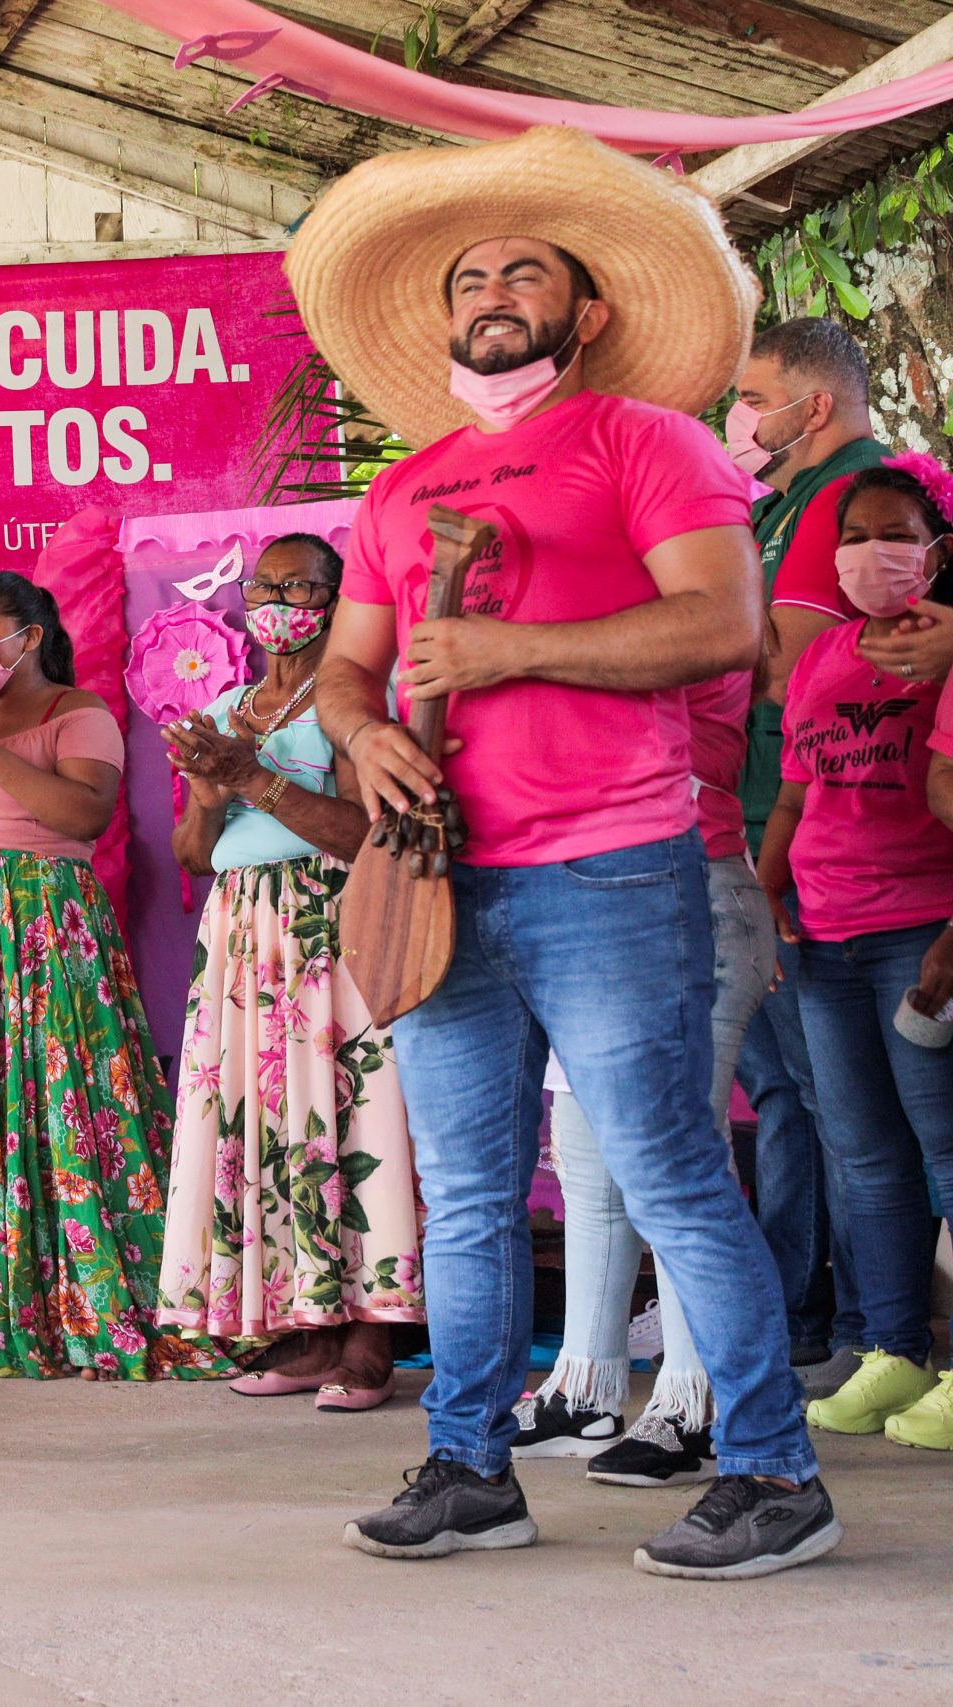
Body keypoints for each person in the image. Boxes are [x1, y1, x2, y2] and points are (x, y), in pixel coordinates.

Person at [294, 125, 832, 1578]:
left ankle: (777, 1471)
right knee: (467, 1191)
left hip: (613, 867)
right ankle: (471, 1462)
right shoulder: (403, 491)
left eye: (525, 269)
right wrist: (366, 738)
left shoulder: (645, 442)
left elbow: (723, 625)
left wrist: (505, 645)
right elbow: (348, 670)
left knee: (665, 1169)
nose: (491, 290)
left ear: (585, 311)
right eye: (470, 274)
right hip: (436, 873)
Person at [0, 571, 209, 1383]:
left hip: (46, 917)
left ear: (30, 635)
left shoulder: (77, 713)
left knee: (62, 1097)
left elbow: (85, 814)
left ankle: (88, 1291)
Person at [155, 535, 421, 1409]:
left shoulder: (349, 704)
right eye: (264, 585)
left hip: (327, 920)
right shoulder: (230, 706)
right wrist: (210, 792)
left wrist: (259, 783)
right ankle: (303, 1328)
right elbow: (195, 854)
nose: (278, 601)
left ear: (339, 599)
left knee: (346, 1115)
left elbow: (363, 833)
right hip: (239, 933)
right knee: (266, 1123)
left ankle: (369, 1340)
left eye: (300, 585)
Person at [516, 665, 776, 1486]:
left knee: (675, 1168)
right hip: (590, 908)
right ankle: (585, 1385)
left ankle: (697, 1400)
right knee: (590, 1163)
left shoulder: (690, 628)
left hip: (687, 898)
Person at [759, 458, 953, 1450]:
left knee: (943, 1150)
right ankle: (891, 1354)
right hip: (822, 937)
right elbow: (795, 794)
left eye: (893, 534)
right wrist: (766, 896)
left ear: (936, 553)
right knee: (866, 1155)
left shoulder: (946, 655)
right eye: (850, 537)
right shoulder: (825, 657)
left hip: (919, 934)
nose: (869, 554)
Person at [730, 319, 883, 1393]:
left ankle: (876, 1329)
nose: (740, 417)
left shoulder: (851, 494)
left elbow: (779, 666)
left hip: (812, 827)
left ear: (812, 404)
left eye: (754, 395)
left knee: (836, 1098)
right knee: (790, 1089)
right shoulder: (790, 496)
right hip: (766, 818)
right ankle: (804, 1311)